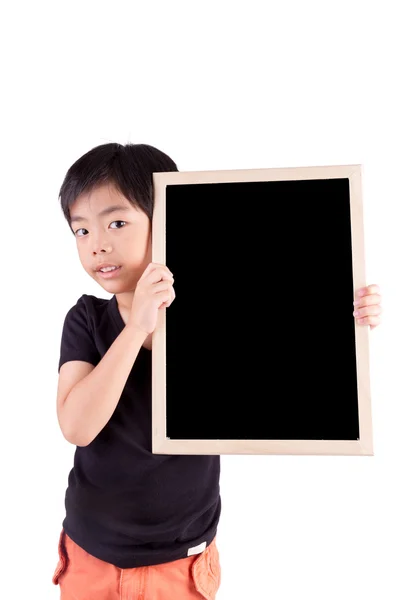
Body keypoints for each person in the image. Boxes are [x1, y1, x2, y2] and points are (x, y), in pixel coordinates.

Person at [51, 142, 382, 599]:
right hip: (91, 554)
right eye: (80, 231)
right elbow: (77, 426)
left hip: (181, 560)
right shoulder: (86, 318)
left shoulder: (210, 312)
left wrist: (351, 313)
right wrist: (136, 328)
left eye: (117, 222)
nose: (97, 244)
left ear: (165, 216)